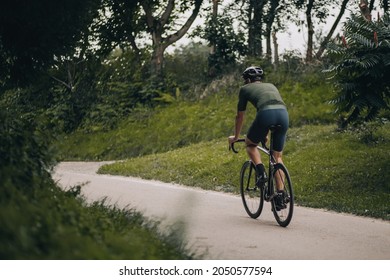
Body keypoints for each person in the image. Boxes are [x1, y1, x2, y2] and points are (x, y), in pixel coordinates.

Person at [228, 66, 289, 210]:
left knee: (250, 144)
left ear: (247, 80)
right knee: (277, 157)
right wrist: (265, 134)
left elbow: (240, 116)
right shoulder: (271, 86)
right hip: (283, 114)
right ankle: (280, 194)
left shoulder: (245, 89)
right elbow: (272, 105)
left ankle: (261, 173)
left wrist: (236, 137)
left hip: (266, 115)